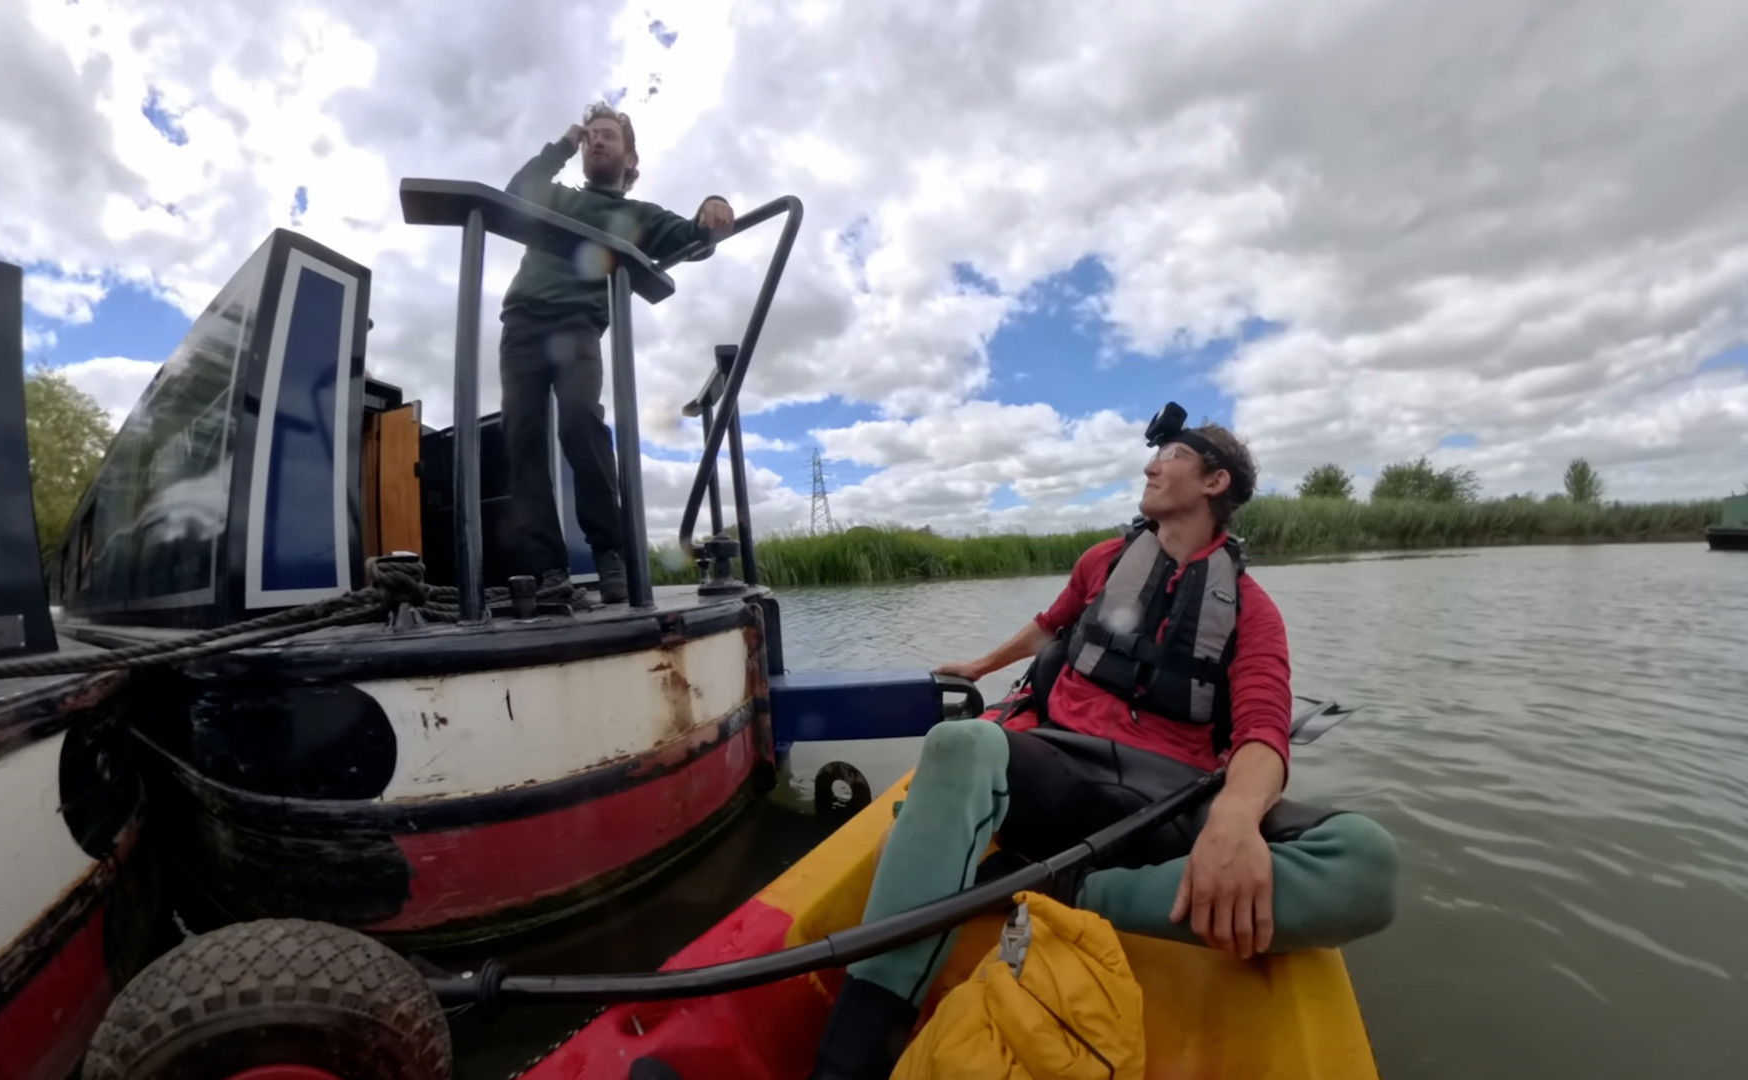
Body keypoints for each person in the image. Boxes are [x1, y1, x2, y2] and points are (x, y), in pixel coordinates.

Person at [808, 411, 1401, 1080]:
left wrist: (1235, 821)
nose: (1151, 466)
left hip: (1168, 799)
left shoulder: (1253, 609)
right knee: (960, 742)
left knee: (1364, 863)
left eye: (1171, 456)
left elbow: (1263, 731)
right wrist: (979, 666)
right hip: (1061, 767)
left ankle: (1061, 886)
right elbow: (1048, 629)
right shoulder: (1101, 561)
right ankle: (847, 1059)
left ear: (1214, 482)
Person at [499, 102, 735, 603]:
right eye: (591, 136)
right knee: (521, 436)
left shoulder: (638, 216)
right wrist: (563, 144)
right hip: (522, 324)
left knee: (580, 420)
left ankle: (611, 555)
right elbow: (516, 194)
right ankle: (548, 572)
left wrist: (713, 205)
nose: (597, 141)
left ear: (630, 160)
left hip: (578, 326)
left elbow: (693, 237)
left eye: (608, 134)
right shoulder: (558, 198)